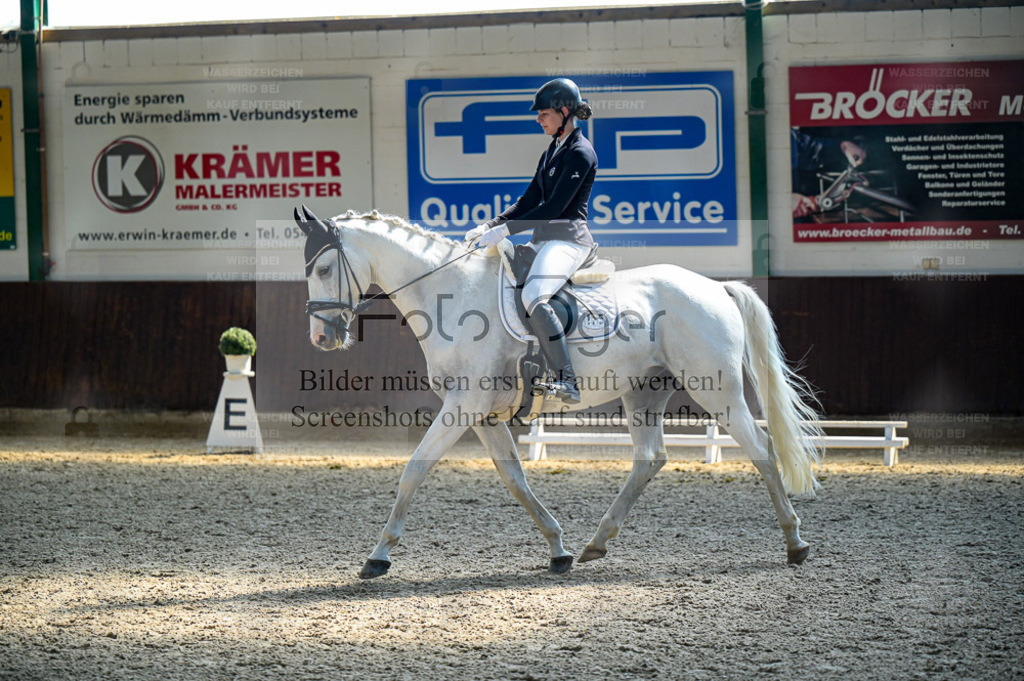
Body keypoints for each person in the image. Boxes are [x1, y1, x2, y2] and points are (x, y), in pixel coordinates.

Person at [465, 78, 597, 404]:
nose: (539, 119)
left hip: (569, 241)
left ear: (564, 111)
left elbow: (553, 208)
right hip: (543, 240)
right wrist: (490, 225)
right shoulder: (552, 151)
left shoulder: (580, 153)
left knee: (535, 294)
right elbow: (528, 201)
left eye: (544, 114)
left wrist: (505, 232)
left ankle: (567, 380)